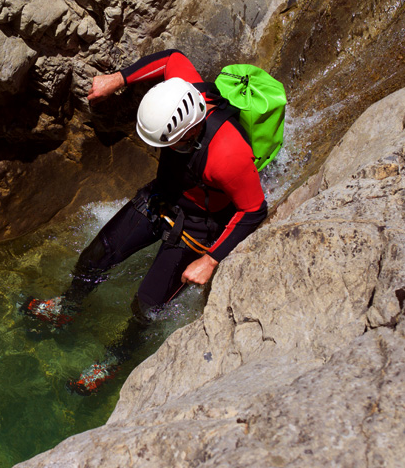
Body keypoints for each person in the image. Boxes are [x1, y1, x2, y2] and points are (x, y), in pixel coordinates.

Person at [21, 49, 268, 394]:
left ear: (190, 129)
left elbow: (254, 209)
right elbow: (172, 59)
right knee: (96, 255)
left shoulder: (227, 154)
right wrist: (118, 79)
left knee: (147, 307)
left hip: (200, 226)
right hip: (164, 195)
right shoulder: (183, 90)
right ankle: (67, 307)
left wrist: (210, 260)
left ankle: (112, 362)